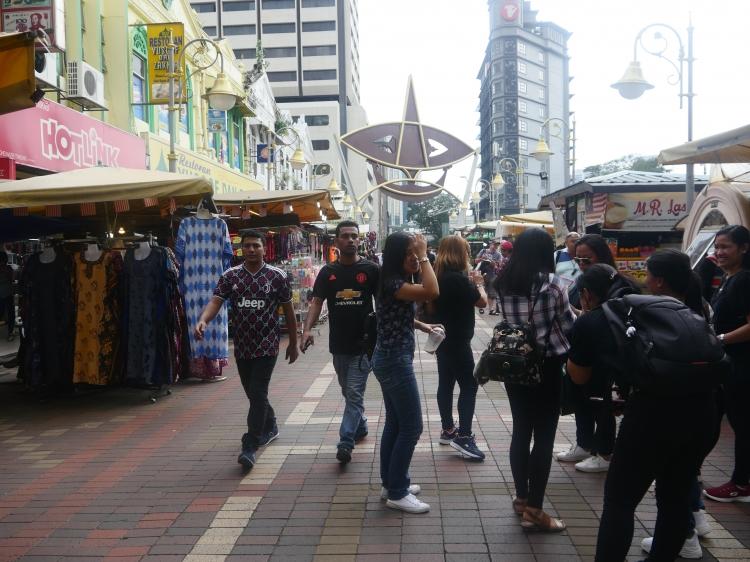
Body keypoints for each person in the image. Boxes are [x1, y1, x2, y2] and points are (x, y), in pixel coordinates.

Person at [566, 262, 717, 562]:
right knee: (674, 498)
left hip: (651, 415)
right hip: (704, 411)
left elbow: (578, 377)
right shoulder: (670, 308)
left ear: (586, 294)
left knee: (620, 501)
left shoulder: (595, 320)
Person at [493, 228, 575, 531]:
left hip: (514, 364)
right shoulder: (553, 284)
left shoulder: (503, 282)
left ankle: (522, 498)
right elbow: (568, 324)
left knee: (521, 431)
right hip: (548, 365)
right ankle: (535, 511)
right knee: (544, 436)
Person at [195, 230, 298, 471]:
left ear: (264, 249)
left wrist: (293, 342)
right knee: (254, 393)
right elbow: (216, 301)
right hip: (243, 346)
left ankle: (250, 444)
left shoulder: (277, 276)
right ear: (241, 249)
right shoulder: (231, 276)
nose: (251, 250)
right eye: (247, 246)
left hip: (267, 345)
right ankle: (270, 425)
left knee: (258, 391)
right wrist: (203, 320)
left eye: (256, 246)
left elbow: (289, 312)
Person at [638, 249, 714, 559]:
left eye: (648, 274)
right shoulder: (702, 307)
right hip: (704, 403)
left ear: (658, 281)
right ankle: (696, 519)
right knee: (685, 470)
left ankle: (686, 535)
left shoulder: (658, 312)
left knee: (669, 478)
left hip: (668, 405)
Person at [300, 221, 379, 465]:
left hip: (364, 343)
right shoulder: (327, 272)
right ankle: (361, 424)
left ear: (359, 240)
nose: (351, 240)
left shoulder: (371, 269)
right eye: (345, 236)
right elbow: (316, 301)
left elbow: (383, 304)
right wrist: (307, 329)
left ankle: (346, 442)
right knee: (348, 391)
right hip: (338, 344)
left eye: (354, 236)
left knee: (354, 393)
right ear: (336, 241)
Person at [373, 232, 440, 514]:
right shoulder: (393, 282)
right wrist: (425, 255)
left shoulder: (394, 281)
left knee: (396, 424)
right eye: (410, 253)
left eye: (417, 253)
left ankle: (391, 483)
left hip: (390, 358)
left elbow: (395, 313)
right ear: (398, 255)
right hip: (393, 361)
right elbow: (432, 291)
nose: (415, 258)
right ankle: (398, 492)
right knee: (412, 426)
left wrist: (423, 327)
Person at [557, 233, 631, 473]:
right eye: (577, 260)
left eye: (586, 260)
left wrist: (587, 318)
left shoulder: (618, 285)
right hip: (588, 348)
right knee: (583, 398)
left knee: (602, 402)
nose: (581, 265)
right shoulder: (586, 281)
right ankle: (585, 443)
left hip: (608, 357)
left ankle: (604, 452)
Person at [703, 225, 750, 503]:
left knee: (742, 425)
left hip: (742, 366)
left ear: (743, 248)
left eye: (726, 247)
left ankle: (741, 483)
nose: (719, 252)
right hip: (731, 364)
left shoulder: (744, 280)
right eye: (717, 247)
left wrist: (720, 338)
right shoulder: (729, 278)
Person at [433, 235, 487, 460]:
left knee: (445, 383)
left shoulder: (439, 276)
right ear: (460, 253)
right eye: (466, 250)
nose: (469, 255)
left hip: (443, 338)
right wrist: (480, 285)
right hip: (458, 340)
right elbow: (482, 302)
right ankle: (464, 436)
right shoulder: (458, 279)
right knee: (469, 385)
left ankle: (448, 429)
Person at [475, 241, 501, 315]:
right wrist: (482, 258)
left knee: (491, 292)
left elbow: (498, 267)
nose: (495, 247)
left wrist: (493, 263)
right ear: (490, 244)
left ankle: (491, 309)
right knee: (481, 290)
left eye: (497, 246)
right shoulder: (483, 251)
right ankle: (481, 308)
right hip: (481, 274)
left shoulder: (498, 254)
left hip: (492, 275)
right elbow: (476, 261)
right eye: (494, 245)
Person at [0, 253, 15, 342]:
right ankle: (10, 332)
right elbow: (11, 279)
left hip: (6, 294)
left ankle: (10, 332)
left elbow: (11, 279)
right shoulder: (8, 268)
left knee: (8, 313)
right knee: (10, 314)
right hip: (7, 294)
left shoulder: (8, 268)